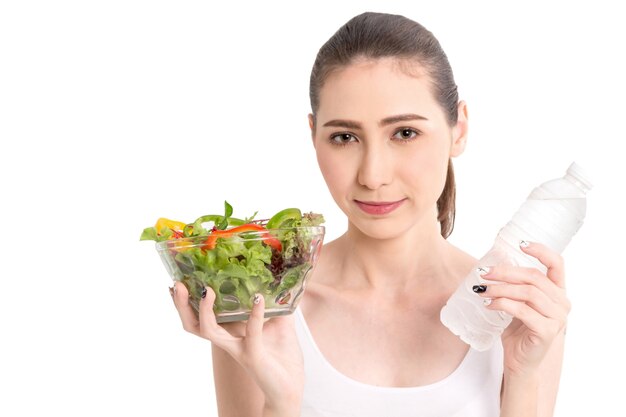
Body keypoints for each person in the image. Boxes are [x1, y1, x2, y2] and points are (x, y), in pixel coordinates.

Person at [170, 11, 570, 417]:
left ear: (459, 129)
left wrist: (522, 376)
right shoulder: (262, 306)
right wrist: (281, 403)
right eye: (344, 137)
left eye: (405, 133)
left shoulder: (519, 311)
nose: (373, 175)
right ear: (314, 136)